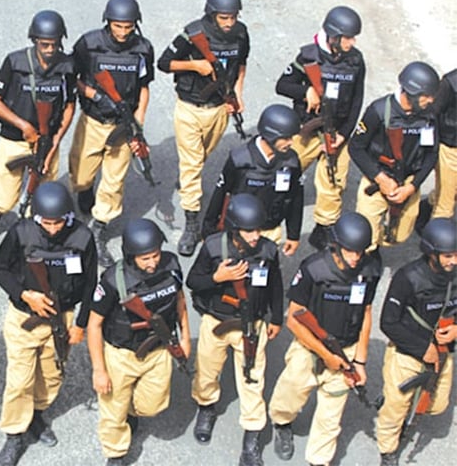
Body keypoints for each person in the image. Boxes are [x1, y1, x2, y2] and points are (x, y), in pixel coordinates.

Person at [0, 181, 97, 465]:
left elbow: (90, 283)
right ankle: (14, 434)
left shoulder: (83, 237)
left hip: (62, 318)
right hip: (25, 317)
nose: (52, 229)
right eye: (46, 223)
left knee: (52, 374)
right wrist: (25, 294)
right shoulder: (21, 233)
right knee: (19, 380)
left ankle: (36, 413)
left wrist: (80, 324)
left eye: (58, 222)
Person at [268, 212, 382, 465]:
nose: (355, 258)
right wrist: (326, 355)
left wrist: (360, 361)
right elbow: (294, 320)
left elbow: (365, 313)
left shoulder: (370, 271)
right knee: (292, 391)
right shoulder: (313, 269)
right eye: (350, 251)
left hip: (346, 348)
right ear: (337, 245)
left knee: (332, 413)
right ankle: (282, 423)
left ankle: (319, 459)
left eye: (360, 252)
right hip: (308, 345)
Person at [186, 193, 282, 466]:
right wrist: (218, 278)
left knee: (253, 377)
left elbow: (276, 286)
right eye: (248, 230)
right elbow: (193, 281)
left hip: (252, 324)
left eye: (258, 229)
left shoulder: (268, 251)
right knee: (207, 368)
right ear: (234, 229)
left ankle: (252, 435)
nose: (255, 236)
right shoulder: (214, 247)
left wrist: (276, 319)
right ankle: (206, 406)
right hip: (217, 320)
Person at [87, 218, 190, 465]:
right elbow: (94, 325)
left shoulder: (172, 266)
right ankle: (115, 453)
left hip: (159, 349)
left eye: (155, 255)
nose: (153, 262)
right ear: (131, 256)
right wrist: (99, 371)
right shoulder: (113, 280)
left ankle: (130, 412)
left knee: (152, 406)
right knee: (113, 411)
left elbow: (180, 303)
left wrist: (185, 338)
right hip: (122, 354)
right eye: (145, 258)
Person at [157, 0, 249, 256]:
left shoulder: (241, 34)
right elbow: (164, 63)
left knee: (201, 156)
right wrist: (194, 66)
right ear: (211, 14)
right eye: (224, 18)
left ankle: (188, 182)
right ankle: (192, 224)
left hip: (219, 107)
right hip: (189, 107)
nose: (229, 23)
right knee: (192, 163)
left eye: (232, 17)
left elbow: (241, 64)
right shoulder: (193, 33)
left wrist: (238, 94)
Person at [68, 0, 155, 267]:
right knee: (81, 174)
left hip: (123, 125)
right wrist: (93, 94)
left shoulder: (142, 49)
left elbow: (143, 87)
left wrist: (137, 122)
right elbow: (72, 78)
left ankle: (99, 226)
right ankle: (84, 191)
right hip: (93, 120)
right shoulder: (88, 44)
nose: (123, 32)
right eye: (118, 26)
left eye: (128, 27)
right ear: (108, 22)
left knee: (114, 181)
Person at [276, 6, 366, 250]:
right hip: (306, 130)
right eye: (347, 38)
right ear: (333, 37)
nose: (352, 42)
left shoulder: (356, 61)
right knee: (284, 172)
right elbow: (282, 85)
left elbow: (357, 101)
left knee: (334, 182)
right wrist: (305, 92)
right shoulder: (308, 57)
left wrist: (344, 135)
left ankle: (324, 229)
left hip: (336, 133)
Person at [0, 10, 76, 239]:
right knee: (6, 188)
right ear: (34, 41)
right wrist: (24, 126)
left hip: (48, 138)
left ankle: (37, 225)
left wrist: (55, 140)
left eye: (55, 45)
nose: (50, 50)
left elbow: (70, 105)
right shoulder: (15, 62)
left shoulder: (67, 67)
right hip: (15, 137)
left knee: (43, 188)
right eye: (44, 45)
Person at [375, 218, 457, 466]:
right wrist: (423, 348)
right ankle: (388, 450)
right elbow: (388, 322)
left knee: (437, 404)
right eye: (448, 256)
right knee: (395, 410)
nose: (453, 261)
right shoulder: (408, 277)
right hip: (407, 352)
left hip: (443, 353)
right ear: (432, 253)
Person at [349, 61, 440, 250]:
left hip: (408, 182)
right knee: (365, 239)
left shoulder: (429, 117)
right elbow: (356, 147)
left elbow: (432, 155)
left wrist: (412, 187)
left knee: (399, 236)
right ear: (412, 92)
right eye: (426, 96)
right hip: (377, 180)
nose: (431, 101)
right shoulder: (379, 111)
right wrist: (380, 179)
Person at [201, 104, 303, 256]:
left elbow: (295, 199)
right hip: (239, 233)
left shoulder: (291, 162)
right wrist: (208, 231)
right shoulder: (239, 160)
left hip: (270, 230)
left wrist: (293, 235)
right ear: (271, 135)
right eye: (286, 138)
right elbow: (221, 193)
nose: (291, 142)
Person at [426, 69, 457, 219]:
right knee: (445, 205)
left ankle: (427, 207)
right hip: (450, 149)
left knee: (448, 192)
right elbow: (432, 114)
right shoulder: (451, 82)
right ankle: (436, 238)